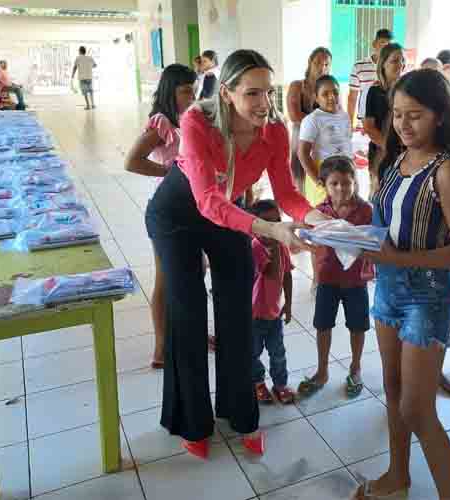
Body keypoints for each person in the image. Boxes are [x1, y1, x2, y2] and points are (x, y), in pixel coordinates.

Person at [147, 49, 330, 460]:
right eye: (253, 94)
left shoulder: (274, 132)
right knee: (189, 314)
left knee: (237, 313)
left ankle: (240, 413)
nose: (264, 104)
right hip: (178, 215)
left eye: (269, 92)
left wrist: (323, 220)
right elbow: (208, 199)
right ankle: (192, 421)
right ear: (227, 93)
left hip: (226, 214)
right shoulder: (197, 120)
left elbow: (287, 194)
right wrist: (271, 230)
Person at [359, 68, 450, 500]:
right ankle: (398, 475)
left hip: (426, 295)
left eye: (415, 115)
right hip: (388, 287)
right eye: (396, 114)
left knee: (417, 408)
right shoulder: (393, 160)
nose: (403, 125)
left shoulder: (447, 172)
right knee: (392, 390)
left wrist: (399, 258)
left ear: (441, 116)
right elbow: (386, 224)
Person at [124, 64, 197, 368]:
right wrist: (170, 173)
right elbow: (132, 161)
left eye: (193, 90)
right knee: (165, 279)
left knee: (191, 275)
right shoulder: (161, 124)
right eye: (184, 91)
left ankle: (191, 334)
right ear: (170, 91)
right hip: (169, 209)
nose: (191, 96)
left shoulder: (188, 120)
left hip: (195, 207)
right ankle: (160, 346)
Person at [296, 157, 371, 400]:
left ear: (355, 182)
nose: (341, 189)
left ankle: (356, 368)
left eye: (347, 183)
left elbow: (373, 243)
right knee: (323, 326)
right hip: (327, 279)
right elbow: (308, 239)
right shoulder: (318, 212)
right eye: (334, 183)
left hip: (356, 281)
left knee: (357, 326)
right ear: (324, 185)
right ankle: (322, 371)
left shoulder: (366, 211)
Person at [248, 200, 296, 405]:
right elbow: (269, 271)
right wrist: (276, 245)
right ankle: (258, 382)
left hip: (274, 314)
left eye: (277, 221)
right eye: (267, 223)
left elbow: (286, 276)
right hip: (253, 316)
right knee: (253, 353)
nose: (275, 227)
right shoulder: (255, 247)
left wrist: (289, 304)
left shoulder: (282, 247)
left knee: (278, 353)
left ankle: (280, 384)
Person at [297, 74, 350, 203]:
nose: (332, 97)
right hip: (323, 174)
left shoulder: (344, 115)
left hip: (346, 172)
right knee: (325, 218)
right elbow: (302, 153)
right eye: (325, 94)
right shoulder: (312, 120)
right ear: (316, 98)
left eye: (335, 92)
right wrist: (319, 182)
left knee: (346, 217)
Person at [287, 47, 332, 194]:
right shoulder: (297, 86)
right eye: (318, 62)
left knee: (321, 184)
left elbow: (336, 115)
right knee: (300, 182)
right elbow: (294, 115)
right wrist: (320, 122)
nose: (321, 67)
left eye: (326, 64)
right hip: (300, 139)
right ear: (310, 63)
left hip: (322, 143)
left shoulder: (331, 89)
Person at [364, 43, 405, 194]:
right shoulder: (375, 91)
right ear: (383, 65)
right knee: (378, 193)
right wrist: (388, 146)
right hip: (381, 153)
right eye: (394, 61)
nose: (400, 65)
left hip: (403, 152)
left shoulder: (406, 90)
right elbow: (369, 127)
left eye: (402, 60)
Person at [347, 28, 393, 128]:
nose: (386, 48)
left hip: (388, 119)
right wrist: (350, 123)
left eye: (389, 45)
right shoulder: (359, 66)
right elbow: (352, 97)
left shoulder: (395, 67)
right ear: (374, 44)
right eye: (382, 43)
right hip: (364, 120)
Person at [71, 46, 97, 110]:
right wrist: (89, 66)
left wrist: (72, 75)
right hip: (89, 77)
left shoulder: (78, 58)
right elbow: (95, 65)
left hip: (82, 78)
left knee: (85, 92)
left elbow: (75, 67)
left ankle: (88, 105)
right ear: (85, 51)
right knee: (91, 91)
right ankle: (93, 104)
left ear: (80, 51)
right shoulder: (90, 58)